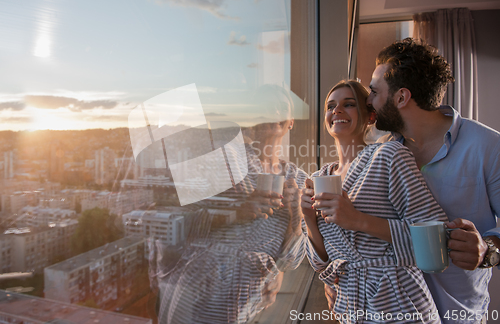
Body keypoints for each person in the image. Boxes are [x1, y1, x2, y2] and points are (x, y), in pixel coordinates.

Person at [325, 38, 500, 324]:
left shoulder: (489, 147)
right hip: (395, 313)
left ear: (401, 97)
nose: (368, 100)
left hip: (459, 313)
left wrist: (488, 250)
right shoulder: (382, 153)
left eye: (373, 91)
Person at [152, 85, 307, 324]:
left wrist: (296, 215)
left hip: (254, 297)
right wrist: (234, 212)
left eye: (280, 105)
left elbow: (290, 261)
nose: (272, 109)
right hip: (202, 289)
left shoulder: (298, 180)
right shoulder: (221, 157)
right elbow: (168, 220)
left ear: (291, 121)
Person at [301, 79, 447, 323]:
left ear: (370, 116)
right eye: (330, 106)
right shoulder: (318, 179)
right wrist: (309, 220)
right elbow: (320, 265)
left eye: (348, 104)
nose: (336, 111)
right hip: (349, 305)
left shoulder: (389, 156)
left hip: (398, 301)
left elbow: (436, 237)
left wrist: (358, 220)